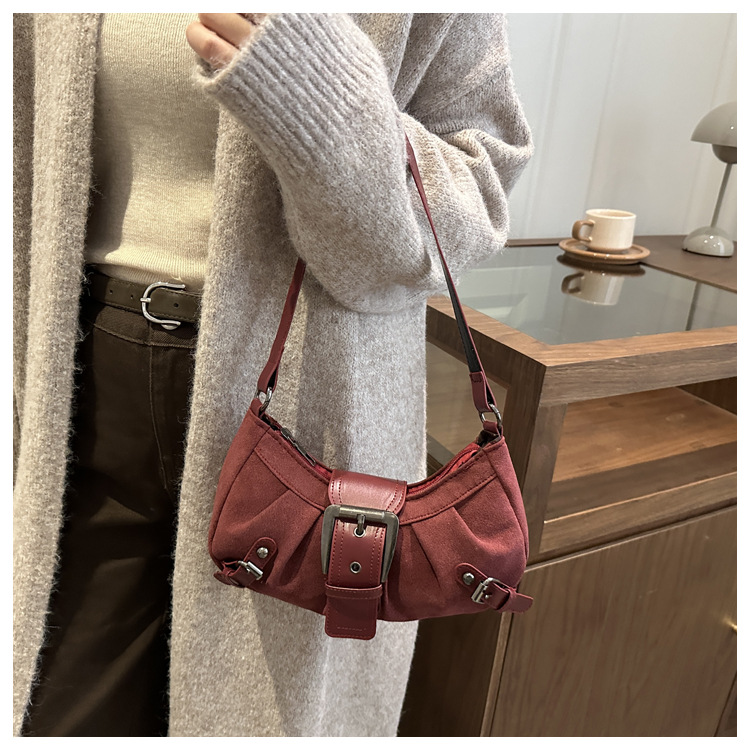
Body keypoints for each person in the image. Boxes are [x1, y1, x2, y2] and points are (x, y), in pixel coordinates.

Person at [13, 12, 533, 737]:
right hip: (77, 382)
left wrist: (323, 93)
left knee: (261, 719)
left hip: (313, 409)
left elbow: (477, 199)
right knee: (61, 708)